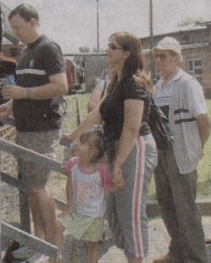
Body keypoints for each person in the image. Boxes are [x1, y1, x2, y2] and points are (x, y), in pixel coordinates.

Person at [63, 32, 158, 263]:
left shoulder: (134, 84)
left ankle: (136, 259)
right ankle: (131, 254)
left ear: (127, 53)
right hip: (116, 146)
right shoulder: (116, 81)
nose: (108, 50)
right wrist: (73, 135)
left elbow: (132, 128)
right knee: (113, 211)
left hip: (134, 148)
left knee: (130, 211)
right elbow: (98, 113)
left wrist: (117, 166)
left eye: (113, 47)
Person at [0, 3, 68, 261]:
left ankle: (53, 249)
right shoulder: (25, 53)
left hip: (42, 129)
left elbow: (61, 86)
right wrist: (11, 103)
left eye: (18, 27)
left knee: (39, 188)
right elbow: (27, 88)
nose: (15, 33)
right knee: (32, 189)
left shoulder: (49, 48)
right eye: (13, 28)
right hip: (26, 128)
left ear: (33, 21)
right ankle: (39, 242)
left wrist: (23, 93)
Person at [151, 37, 210, 263]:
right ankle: (176, 252)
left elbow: (204, 121)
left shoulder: (187, 84)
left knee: (186, 208)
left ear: (177, 58)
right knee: (167, 205)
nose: (158, 60)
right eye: (156, 56)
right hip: (161, 154)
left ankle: (196, 258)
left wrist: (198, 148)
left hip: (181, 154)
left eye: (163, 56)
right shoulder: (157, 87)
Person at [56, 127, 112, 263]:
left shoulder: (102, 170)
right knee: (57, 226)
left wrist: (118, 184)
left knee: (93, 246)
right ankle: (55, 257)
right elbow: (69, 185)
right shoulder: (73, 164)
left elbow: (108, 190)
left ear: (92, 152)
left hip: (95, 216)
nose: (77, 144)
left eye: (82, 143)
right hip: (77, 211)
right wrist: (69, 206)